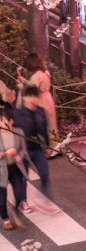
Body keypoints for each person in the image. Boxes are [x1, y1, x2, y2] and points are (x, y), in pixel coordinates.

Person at [13, 52, 53, 198]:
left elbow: (42, 128)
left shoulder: (37, 109)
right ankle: (22, 201)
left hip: (34, 144)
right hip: (23, 146)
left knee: (43, 172)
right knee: (22, 175)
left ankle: (45, 196)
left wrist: (47, 145)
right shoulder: (44, 73)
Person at [0, 105, 26, 231]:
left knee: (20, 193)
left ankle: (15, 212)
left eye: (7, 121)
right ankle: (5, 219)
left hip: (15, 167)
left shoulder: (18, 132)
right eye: (2, 122)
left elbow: (23, 149)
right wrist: (6, 153)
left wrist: (19, 156)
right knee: (2, 198)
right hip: (1, 169)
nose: (5, 124)